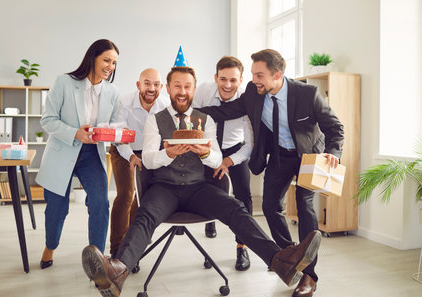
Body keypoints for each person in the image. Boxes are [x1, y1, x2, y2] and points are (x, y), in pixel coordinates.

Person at [81, 66, 322, 297]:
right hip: (164, 187)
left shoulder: (205, 120)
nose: (182, 92)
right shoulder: (155, 120)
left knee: (235, 208)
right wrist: (169, 154)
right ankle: (117, 271)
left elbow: (217, 158)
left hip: (199, 188)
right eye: (177, 86)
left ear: (194, 89)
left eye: (187, 86)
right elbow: (150, 160)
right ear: (168, 88)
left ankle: (279, 261)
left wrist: (205, 153)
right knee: (145, 215)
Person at [198, 49, 344, 297]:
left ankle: (310, 275)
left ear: (277, 75)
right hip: (279, 155)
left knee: (304, 204)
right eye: (253, 74)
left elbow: (335, 127)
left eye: (259, 75)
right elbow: (226, 111)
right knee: (269, 206)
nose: (253, 80)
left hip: (309, 156)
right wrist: (187, 109)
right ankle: (290, 255)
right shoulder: (254, 95)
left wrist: (333, 153)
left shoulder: (307, 93)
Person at [35, 39, 121, 269]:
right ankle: (50, 246)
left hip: (92, 154)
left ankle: (97, 260)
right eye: (106, 60)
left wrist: (115, 134)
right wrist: (75, 133)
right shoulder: (64, 82)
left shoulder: (112, 92)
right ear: (92, 57)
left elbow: (112, 125)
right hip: (62, 150)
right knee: (57, 206)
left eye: (113, 63)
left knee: (100, 203)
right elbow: (48, 120)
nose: (110, 66)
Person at [192, 56, 254, 271]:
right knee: (207, 192)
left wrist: (228, 161)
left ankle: (242, 246)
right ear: (215, 78)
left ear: (241, 80)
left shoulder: (247, 100)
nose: (228, 85)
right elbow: (192, 120)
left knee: (243, 195)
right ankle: (210, 223)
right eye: (223, 79)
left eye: (233, 80)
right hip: (207, 148)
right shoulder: (203, 91)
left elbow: (250, 144)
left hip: (235, 149)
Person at [109, 68, 169, 257]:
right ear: (138, 85)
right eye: (147, 83)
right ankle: (117, 249)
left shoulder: (166, 105)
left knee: (143, 196)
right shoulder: (124, 102)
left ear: (161, 87)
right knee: (127, 193)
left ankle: (132, 242)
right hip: (123, 149)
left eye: (156, 84)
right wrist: (131, 156)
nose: (151, 88)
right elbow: (119, 137)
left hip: (149, 151)